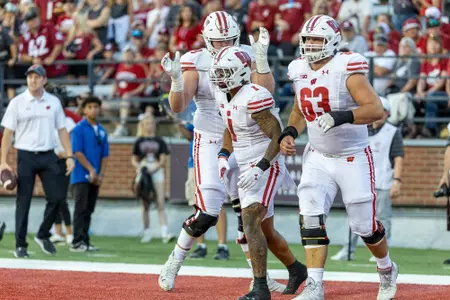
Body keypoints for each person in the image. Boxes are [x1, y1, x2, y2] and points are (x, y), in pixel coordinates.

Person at [158, 11, 285, 293]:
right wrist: (177, 82)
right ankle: (174, 262)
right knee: (209, 212)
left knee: (248, 213)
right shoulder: (197, 60)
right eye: (219, 41)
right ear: (207, 40)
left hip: (243, 138)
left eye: (230, 39)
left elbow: (265, 96)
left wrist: (261, 61)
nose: (225, 45)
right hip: (212, 136)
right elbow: (179, 107)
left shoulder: (248, 54)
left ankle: (258, 278)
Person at [279, 15, 398, 300]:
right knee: (310, 214)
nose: (310, 45)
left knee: (364, 227)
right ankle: (315, 285)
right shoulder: (298, 69)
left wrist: (340, 116)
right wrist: (290, 131)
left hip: (352, 156)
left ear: (332, 41)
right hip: (318, 156)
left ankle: (386, 268)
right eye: (307, 39)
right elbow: (299, 106)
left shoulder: (346, 67)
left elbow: (375, 109)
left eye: (317, 39)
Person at [210, 46, 308, 300]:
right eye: (218, 71)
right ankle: (296, 269)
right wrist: (223, 155)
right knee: (265, 230)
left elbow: (277, 136)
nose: (220, 76)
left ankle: (261, 288)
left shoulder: (254, 96)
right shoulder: (225, 96)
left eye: (226, 71)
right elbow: (229, 128)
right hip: (244, 164)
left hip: (267, 161)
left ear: (241, 72)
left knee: (249, 219)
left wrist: (261, 167)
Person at [0, 64, 75, 258]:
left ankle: (43, 234)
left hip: (48, 154)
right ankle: (20, 244)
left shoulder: (54, 102)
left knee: (58, 197)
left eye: (37, 77)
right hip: (25, 155)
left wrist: (69, 156)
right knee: (23, 200)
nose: (33, 80)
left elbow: (62, 130)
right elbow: (8, 133)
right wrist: (3, 161)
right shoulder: (17, 102)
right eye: (30, 77)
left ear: (44, 80)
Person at [331, 97, 404, 262]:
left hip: (383, 180)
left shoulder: (393, 132)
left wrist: (397, 181)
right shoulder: (360, 129)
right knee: (355, 216)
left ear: (387, 114)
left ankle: (383, 251)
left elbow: (398, 157)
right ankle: (348, 249)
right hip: (361, 180)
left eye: (384, 112)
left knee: (383, 217)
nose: (381, 115)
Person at [70, 96, 109, 252]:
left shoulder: (102, 130)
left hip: (95, 178)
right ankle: (76, 241)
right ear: (84, 109)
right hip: (81, 176)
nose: (93, 109)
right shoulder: (79, 128)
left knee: (89, 209)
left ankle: (85, 240)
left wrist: (101, 175)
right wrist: (92, 170)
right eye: (90, 107)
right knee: (80, 208)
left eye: (96, 106)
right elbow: (77, 152)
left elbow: (105, 155)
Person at [131, 114, 175, 244]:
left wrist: (155, 167)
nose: (149, 126)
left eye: (151, 123)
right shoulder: (139, 141)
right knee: (145, 204)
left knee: (160, 202)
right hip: (144, 171)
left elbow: (163, 158)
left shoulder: (159, 141)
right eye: (147, 124)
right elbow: (134, 158)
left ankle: (164, 232)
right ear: (143, 125)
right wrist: (139, 167)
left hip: (156, 171)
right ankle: (147, 232)